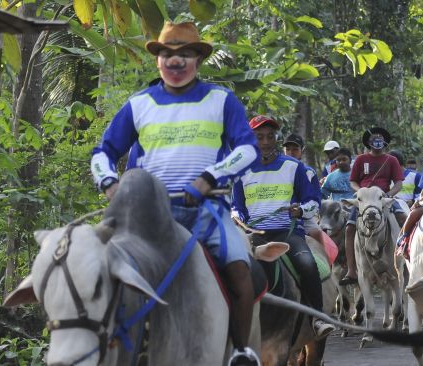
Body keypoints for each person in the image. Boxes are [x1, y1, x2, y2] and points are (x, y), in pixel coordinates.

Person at [90, 21, 260, 365]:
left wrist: (210, 177)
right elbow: (103, 152)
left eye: (185, 53)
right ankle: (93, 344)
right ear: (157, 60)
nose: (176, 61)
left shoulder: (221, 100)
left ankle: (241, 350)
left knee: (241, 270)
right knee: (92, 265)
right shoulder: (139, 104)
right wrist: (109, 183)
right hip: (147, 215)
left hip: (207, 212)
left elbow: (248, 149)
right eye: (167, 53)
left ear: (198, 59)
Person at [233, 116, 334, 339]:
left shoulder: (295, 167)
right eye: (260, 137)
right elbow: (236, 206)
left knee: (307, 263)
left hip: (288, 232)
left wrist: (300, 210)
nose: (266, 142)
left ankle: (317, 318)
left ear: (276, 139)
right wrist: (237, 218)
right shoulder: (241, 171)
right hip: (252, 236)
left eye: (270, 137)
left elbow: (313, 201)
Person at [339, 127, 405, 285]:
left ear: (385, 141)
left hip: (383, 198)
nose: (377, 140)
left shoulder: (391, 160)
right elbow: (353, 181)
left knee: (403, 218)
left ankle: (406, 259)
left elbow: (398, 183)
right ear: (368, 142)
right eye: (374, 138)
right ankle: (352, 270)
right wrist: (360, 191)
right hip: (364, 200)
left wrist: (389, 194)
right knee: (349, 228)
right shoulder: (361, 160)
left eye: (380, 138)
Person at [282, 133, 327, 248]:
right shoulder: (275, 170)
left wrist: (301, 210)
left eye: (295, 149)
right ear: (283, 150)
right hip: (278, 215)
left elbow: (315, 201)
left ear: (302, 150)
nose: (291, 153)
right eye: (288, 149)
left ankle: (325, 263)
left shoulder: (308, 172)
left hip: (301, 216)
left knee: (316, 232)